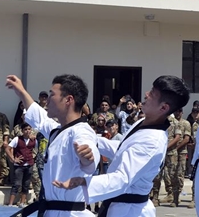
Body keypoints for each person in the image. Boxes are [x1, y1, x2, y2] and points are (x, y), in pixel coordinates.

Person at [51, 75, 190, 217]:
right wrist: (94, 140)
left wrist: (83, 181)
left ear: (163, 107)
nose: (146, 94)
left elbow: (122, 178)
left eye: (152, 94)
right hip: (119, 206)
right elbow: (123, 149)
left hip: (130, 210)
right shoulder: (143, 123)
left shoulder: (153, 140)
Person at [6, 74, 100, 217]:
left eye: (52, 94)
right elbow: (40, 118)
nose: (47, 100)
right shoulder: (57, 131)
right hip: (50, 210)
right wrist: (22, 93)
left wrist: (87, 158)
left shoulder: (82, 131)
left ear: (68, 100)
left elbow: (88, 152)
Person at [6, 122, 36, 208]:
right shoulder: (17, 139)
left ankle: (22, 202)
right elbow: (8, 148)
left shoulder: (34, 140)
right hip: (19, 165)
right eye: (25, 129)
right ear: (22, 131)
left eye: (29, 129)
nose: (27, 131)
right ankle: (10, 203)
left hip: (29, 164)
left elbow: (40, 147)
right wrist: (13, 159)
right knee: (16, 184)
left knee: (26, 184)